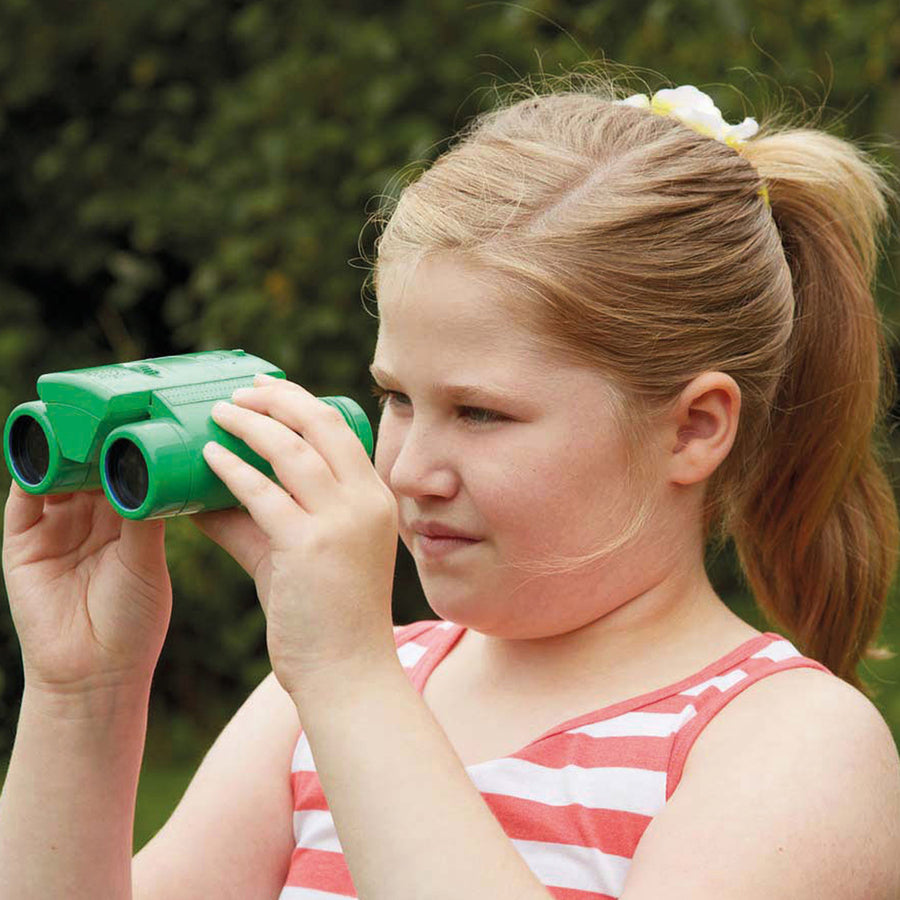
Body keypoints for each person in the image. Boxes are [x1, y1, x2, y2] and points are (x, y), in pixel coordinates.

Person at [2, 71, 900, 900]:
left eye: (479, 414)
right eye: (396, 398)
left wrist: (350, 680)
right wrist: (84, 692)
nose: (407, 473)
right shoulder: (323, 700)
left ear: (694, 427)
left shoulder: (793, 747)